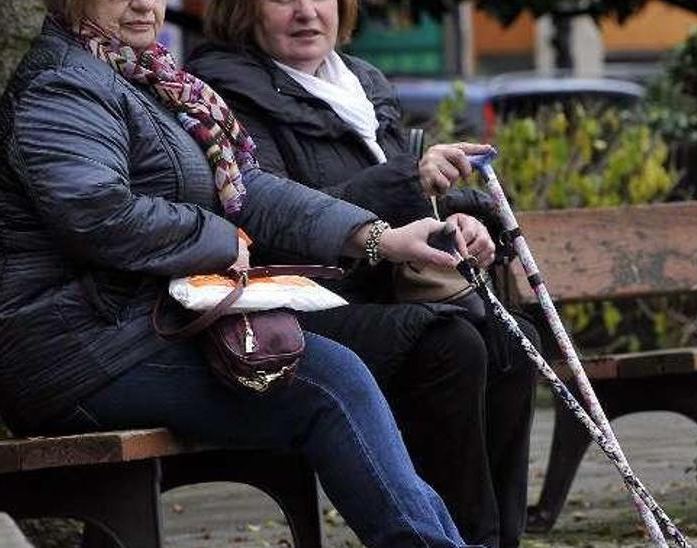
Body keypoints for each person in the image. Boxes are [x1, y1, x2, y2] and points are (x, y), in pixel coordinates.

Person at [0, 0, 481, 545]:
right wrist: (218, 239)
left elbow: (248, 191)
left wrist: (378, 237)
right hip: (76, 356)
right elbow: (95, 211)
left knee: (336, 374)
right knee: (327, 381)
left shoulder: (148, 78)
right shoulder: (65, 86)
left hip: (137, 332)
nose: (145, 3)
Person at [188, 2, 539, 546]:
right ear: (245, 10)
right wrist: (408, 180)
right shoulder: (225, 93)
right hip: (296, 305)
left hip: (384, 291)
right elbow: (270, 217)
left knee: (513, 342)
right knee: (448, 345)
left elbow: (408, 203)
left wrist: (462, 219)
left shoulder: (361, 83)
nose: (307, 12)